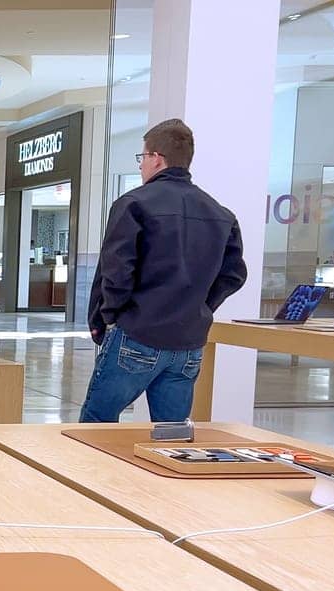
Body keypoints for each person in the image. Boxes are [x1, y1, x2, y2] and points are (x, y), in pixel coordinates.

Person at [81, 118, 246, 423]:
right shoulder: (221, 214)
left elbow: (116, 270)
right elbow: (234, 274)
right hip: (188, 343)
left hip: (137, 332)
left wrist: (111, 317)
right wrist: (198, 308)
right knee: (171, 434)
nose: (141, 166)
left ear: (156, 158)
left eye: (141, 158)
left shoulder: (133, 204)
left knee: (95, 426)